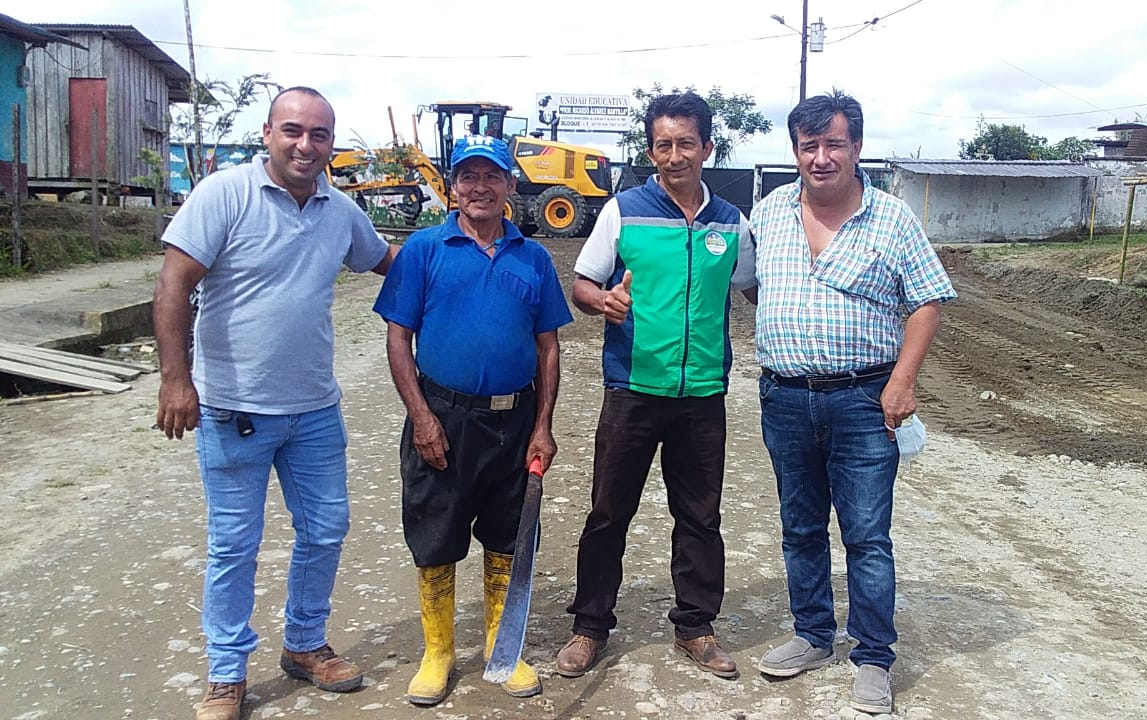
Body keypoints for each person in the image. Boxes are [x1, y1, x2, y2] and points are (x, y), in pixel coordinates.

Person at [153, 86, 397, 720]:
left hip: (314, 410)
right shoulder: (224, 194)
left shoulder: (340, 210)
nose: (305, 145)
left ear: (332, 144)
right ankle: (225, 674)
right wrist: (176, 380)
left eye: (319, 135)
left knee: (326, 529)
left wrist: (466, 255)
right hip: (233, 410)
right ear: (267, 134)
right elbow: (174, 283)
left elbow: (386, 262)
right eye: (292, 130)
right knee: (234, 544)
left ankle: (305, 644)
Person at [751, 91, 955, 715]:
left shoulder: (892, 219)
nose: (821, 157)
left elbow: (927, 301)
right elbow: (746, 286)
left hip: (865, 399)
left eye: (834, 144)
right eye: (808, 145)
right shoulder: (768, 213)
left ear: (857, 147)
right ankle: (813, 635)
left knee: (866, 535)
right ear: (795, 151)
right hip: (786, 397)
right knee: (800, 528)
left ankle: (873, 658)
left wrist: (903, 381)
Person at [555, 92, 757, 681]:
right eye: (663, 145)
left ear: (707, 148)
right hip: (633, 390)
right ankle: (590, 627)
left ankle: (696, 627)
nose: (674, 156)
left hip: (702, 395)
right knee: (607, 513)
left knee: (700, 518)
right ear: (651, 151)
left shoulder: (732, 222)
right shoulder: (623, 211)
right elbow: (583, 284)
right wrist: (603, 301)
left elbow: (754, 289)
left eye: (685, 143)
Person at [373, 135, 572, 706]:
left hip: (515, 421)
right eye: (468, 176)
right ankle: (438, 652)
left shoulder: (533, 258)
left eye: (492, 176)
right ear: (453, 185)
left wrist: (543, 425)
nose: (480, 187)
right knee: (435, 532)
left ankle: (499, 647)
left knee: (509, 533)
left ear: (510, 184)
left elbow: (548, 347)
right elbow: (398, 339)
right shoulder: (424, 249)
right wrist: (421, 417)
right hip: (443, 418)